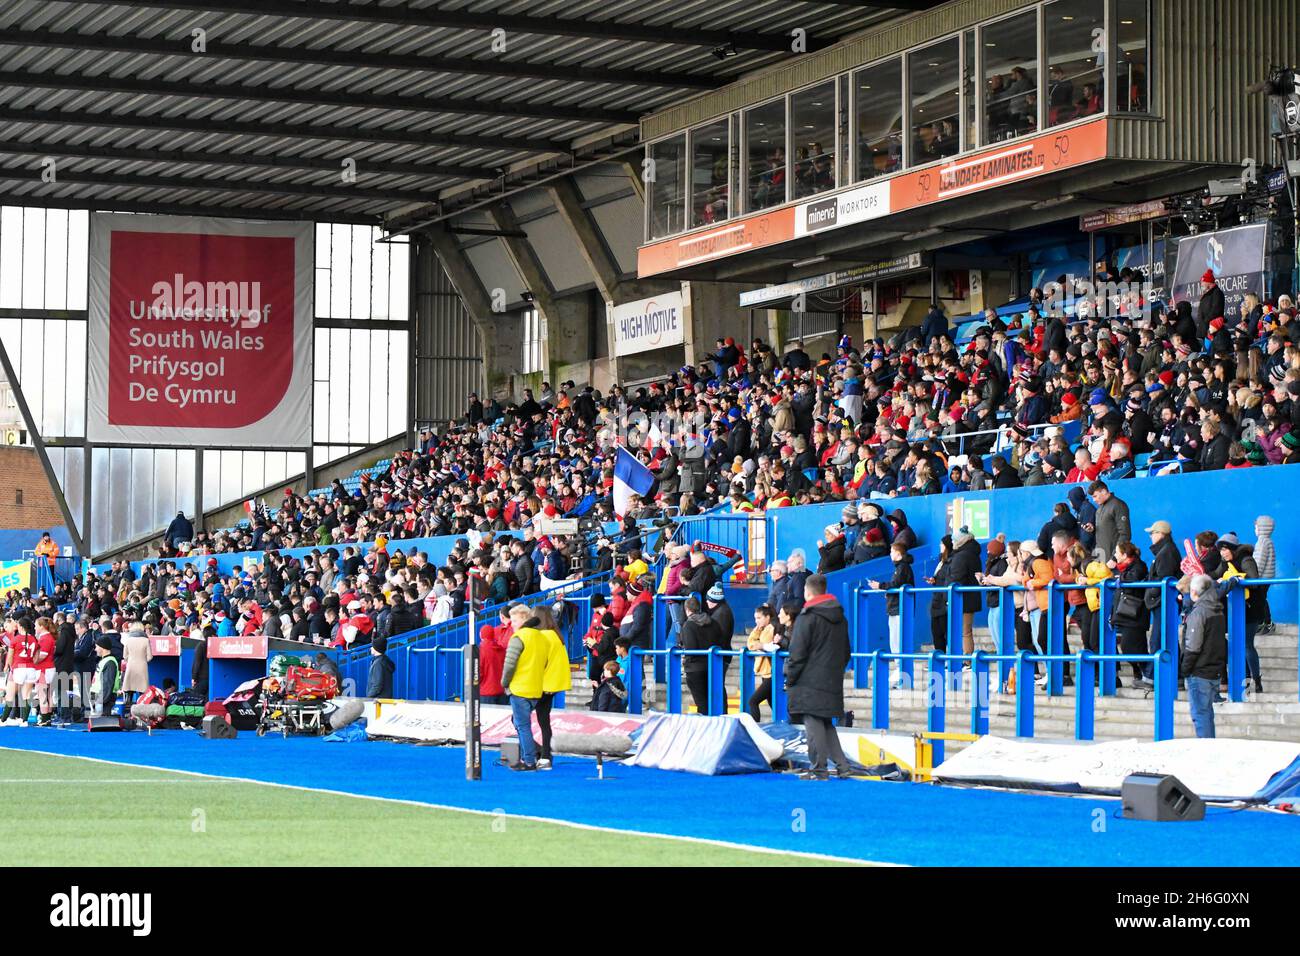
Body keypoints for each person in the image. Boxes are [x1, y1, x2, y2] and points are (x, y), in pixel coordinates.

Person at [785, 574, 853, 780]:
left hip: (809, 680)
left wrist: (790, 676)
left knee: (813, 723)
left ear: (807, 592)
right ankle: (843, 767)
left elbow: (797, 652)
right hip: (831, 677)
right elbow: (846, 651)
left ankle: (818, 770)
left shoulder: (808, 617)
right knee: (825, 723)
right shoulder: (840, 616)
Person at [500, 603, 558, 771]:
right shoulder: (542, 637)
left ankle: (529, 760)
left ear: (524, 619)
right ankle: (532, 755)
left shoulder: (519, 638)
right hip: (536, 687)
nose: (512, 624)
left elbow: (509, 665)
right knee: (522, 723)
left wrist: (505, 683)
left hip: (519, 687)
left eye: (515, 620)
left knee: (523, 726)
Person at [1181, 573, 1227, 738]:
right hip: (1213, 670)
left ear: (1195, 591)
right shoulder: (1217, 610)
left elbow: (1193, 646)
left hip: (1199, 671)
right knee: (1207, 714)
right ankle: (1210, 748)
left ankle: (1205, 752)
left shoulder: (1199, 613)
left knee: (1200, 715)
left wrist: (1184, 669)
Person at [530, 603, 571, 770]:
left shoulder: (543, 637)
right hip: (552, 684)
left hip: (541, 684)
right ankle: (545, 755)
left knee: (518, 718)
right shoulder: (556, 635)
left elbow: (538, 662)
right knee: (544, 721)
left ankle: (537, 751)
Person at [869, 541, 914, 687]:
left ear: (899, 554)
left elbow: (895, 584)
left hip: (900, 609)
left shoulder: (903, 567)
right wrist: (887, 592)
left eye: (892, 551)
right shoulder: (899, 568)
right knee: (894, 640)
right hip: (895, 608)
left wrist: (880, 586)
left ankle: (901, 672)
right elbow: (896, 586)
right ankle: (899, 670)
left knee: (899, 640)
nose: (890, 554)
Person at [680, 595, 725, 713]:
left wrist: (684, 658)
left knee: (701, 702)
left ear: (687, 610)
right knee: (714, 700)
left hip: (695, 669)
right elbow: (720, 640)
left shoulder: (688, 625)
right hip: (713, 666)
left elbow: (690, 648)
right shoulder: (713, 622)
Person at [744, 604, 783, 722]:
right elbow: (750, 644)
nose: (757, 621)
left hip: (771, 672)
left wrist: (760, 645)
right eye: (755, 618)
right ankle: (782, 723)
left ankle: (756, 728)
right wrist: (756, 632)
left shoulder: (771, 628)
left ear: (767, 617)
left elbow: (763, 643)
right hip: (765, 673)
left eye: (759, 618)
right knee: (772, 703)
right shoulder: (761, 629)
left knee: (753, 701)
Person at [1089, 480, 1131, 561]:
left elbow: (1125, 534)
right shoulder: (1100, 508)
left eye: (1095, 496)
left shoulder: (1118, 505)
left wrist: (1114, 558)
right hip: (1100, 557)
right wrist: (1092, 529)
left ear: (1104, 491)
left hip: (1113, 559)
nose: (1093, 500)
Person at [120, 622, 152, 710]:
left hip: (131, 666)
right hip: (142, 667)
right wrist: (143, 660)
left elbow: (124, 656)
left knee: (129, 688)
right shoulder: (146, 640)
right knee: (142, 690)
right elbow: (150, 656)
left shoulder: (128, 640)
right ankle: (142, 710)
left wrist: (130, 660)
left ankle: (128, 709)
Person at [91, 635, 119, 717]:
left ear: (102, 647)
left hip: (103, 699)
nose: (95, 649)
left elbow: (107, 684)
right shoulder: (104, 660)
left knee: (103, 723)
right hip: (99, 697)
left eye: (96, 647)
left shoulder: (110, 662)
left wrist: (100, 701)